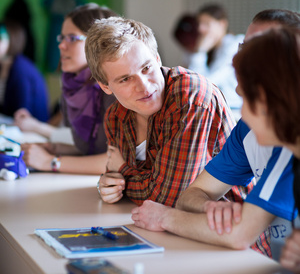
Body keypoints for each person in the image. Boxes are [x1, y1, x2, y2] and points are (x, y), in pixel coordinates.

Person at [131, 9, 300, 260]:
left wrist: (164, 217)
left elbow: (239, 234)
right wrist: (212, 208)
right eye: (247, 46)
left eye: (244, 101)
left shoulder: (288, 149)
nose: (240, 112)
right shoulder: (258, 133)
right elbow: (190, 196)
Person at [85, 16, 244, 207]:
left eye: (146, 68)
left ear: (158, 59)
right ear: (105, 86)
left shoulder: (190, 96)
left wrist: (123, 171)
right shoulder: (115, 118)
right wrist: (107, 184)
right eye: (125, 79)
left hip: (222, 225)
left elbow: (170, 199)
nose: (143, 86)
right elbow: (117, 179)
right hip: (155, 226)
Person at [20, 3, 117, 174]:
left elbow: (117, 160)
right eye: (62, 38)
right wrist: (55, 148)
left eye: (72, 38)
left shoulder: (113, 87)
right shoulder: (72, 86)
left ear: (99, 43)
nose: (61, 46)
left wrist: (51, 161)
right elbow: (91, 148)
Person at [181, 3, 244, 115]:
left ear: (222, 24)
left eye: (206, 24)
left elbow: (204, 84)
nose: (201, 29)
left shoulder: (234, 45)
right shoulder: (212, 49)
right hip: (215, 109)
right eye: (199, 24)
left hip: (233, 111)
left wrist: (200, 51)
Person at [0, 20, 49, 122]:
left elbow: (23, 112)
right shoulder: (4, 65)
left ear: (12, 41)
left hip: (31, 130)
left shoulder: (21, 69)